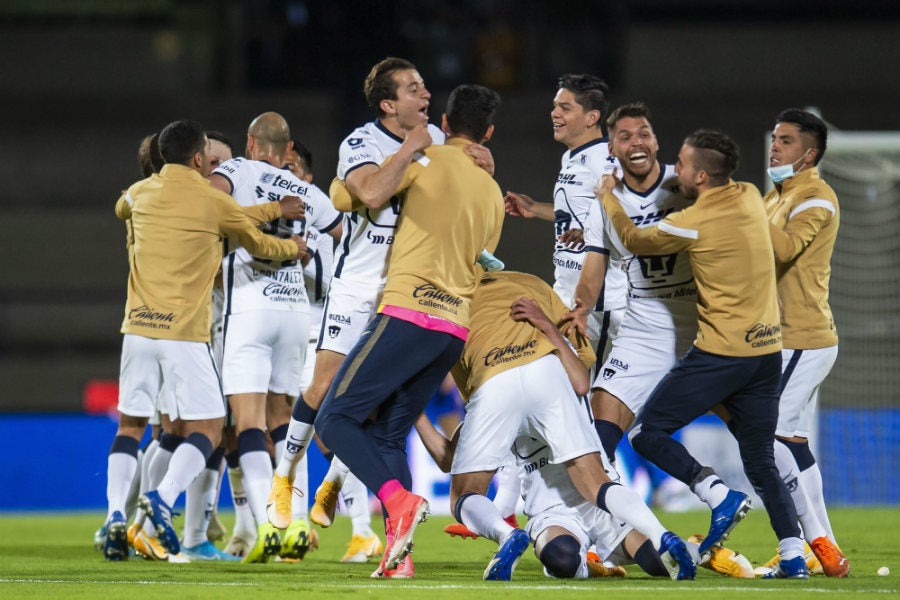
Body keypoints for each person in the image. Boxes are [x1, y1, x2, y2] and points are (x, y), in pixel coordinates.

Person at [267, 57, 496, 576]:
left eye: (424, 86)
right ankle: (286, 476)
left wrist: (476, 162)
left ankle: (341, 488)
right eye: (413, 89)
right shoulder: (362, 142)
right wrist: (412, 151)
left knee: (379, 409)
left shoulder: (441, 138)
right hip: (362, 286)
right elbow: (367, 191)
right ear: (389, 104)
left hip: (415, 290)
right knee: (327, 389)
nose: (425, 95)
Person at [598, 129, 809, 579]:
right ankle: (794, 554)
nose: (675, 166)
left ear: (699, 174)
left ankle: (714, 491)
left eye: (681, 162)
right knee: (759, 460)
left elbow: (633, 240)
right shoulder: (751, 194)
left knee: (646, 434)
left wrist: (609, 196)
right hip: (767, 352)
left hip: (721, 356)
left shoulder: (692, 222)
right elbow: (696, 188)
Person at [107, 119, 305, 561]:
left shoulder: (138, 196)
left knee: (137, 428)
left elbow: (123, 207)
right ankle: (162, 502)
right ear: (198, 159)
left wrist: (270, 209)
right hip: (184, 332)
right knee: (210, 429)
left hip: (136, 329)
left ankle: (117, 518)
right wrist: (294, 248)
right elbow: (257, 242)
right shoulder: (211, 201)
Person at [431, 270, 695, 581]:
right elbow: (582, 383)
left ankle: (690, 548)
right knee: (566, 555)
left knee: (656, 563)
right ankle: (637, 545)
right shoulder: (549, 366)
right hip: (558, 508)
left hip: (598, 509)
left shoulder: (504, 370)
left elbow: (453, 459)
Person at [208, 112, 342, 564]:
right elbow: (343, 235)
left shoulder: (236, 171)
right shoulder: (310, 193)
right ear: (288, 151)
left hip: (249, 304)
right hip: (295, 311)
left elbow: (211, 207)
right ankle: (298, 520)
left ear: (249, 142)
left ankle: (270, 524)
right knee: (285, 420)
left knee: (247, 421)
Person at [568, 102, 696, 495]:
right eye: (624, 137)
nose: (636, 142)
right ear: (612, 148)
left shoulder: (687, 186)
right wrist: (579, 310)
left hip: (705, 321)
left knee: (756, 431)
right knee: (602, 416)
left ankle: (804, 541)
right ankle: (601, 532)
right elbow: (593, 267)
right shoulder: (603, 202)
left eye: (643, 133)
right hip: (646, 324)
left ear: (656, 142)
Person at [762, 108, 848, 577]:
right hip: (781, 338)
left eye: (787, 141)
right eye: (776, 138)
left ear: (809, 153)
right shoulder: (775, 195)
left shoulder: (817, 198)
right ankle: (823, 546)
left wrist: (736, 215)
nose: (775, 146)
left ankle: (810, 541)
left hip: (802, 337)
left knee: (765, 435)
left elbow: (783, 248)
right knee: (791, 441)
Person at [504, 73, 627, 363]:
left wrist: (591, 233)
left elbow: (627, 216)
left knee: (596, 396)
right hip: (567, 293)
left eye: (565, 108)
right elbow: (577, 215)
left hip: (600, 304)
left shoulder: (604, 159)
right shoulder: (572, 157)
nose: (554, 113)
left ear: (591, 117)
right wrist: (534, 208)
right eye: (555, 106)